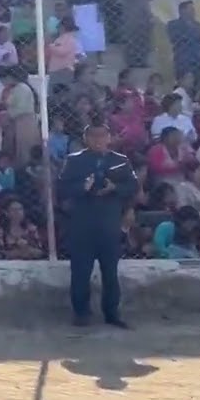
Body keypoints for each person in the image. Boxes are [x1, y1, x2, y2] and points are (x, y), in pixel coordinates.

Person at [60, 123, 137, 328]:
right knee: (81, 272)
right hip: (82, 223)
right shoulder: (74, 161)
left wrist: (115, 188)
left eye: (102, 136)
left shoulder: (120, 161)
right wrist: (82, 187)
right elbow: (62, 188)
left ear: (109, 138)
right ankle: (81, 313)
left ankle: (112, 313)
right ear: (85, 138)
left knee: (110, 272)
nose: (98, 140)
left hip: (109, 223)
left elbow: (133, 186)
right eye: (93, 136)